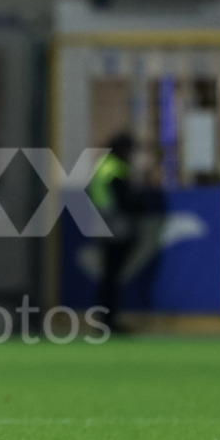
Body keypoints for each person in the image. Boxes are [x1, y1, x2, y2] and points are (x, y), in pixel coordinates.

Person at [88, 131, 146, 334]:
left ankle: (106, 320)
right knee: (111, 277)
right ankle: (108, 321)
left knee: (109, 277)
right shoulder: (115, 168)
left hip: (105, 225)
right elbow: (124, 200)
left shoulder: (103, 165)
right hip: (115, 227)